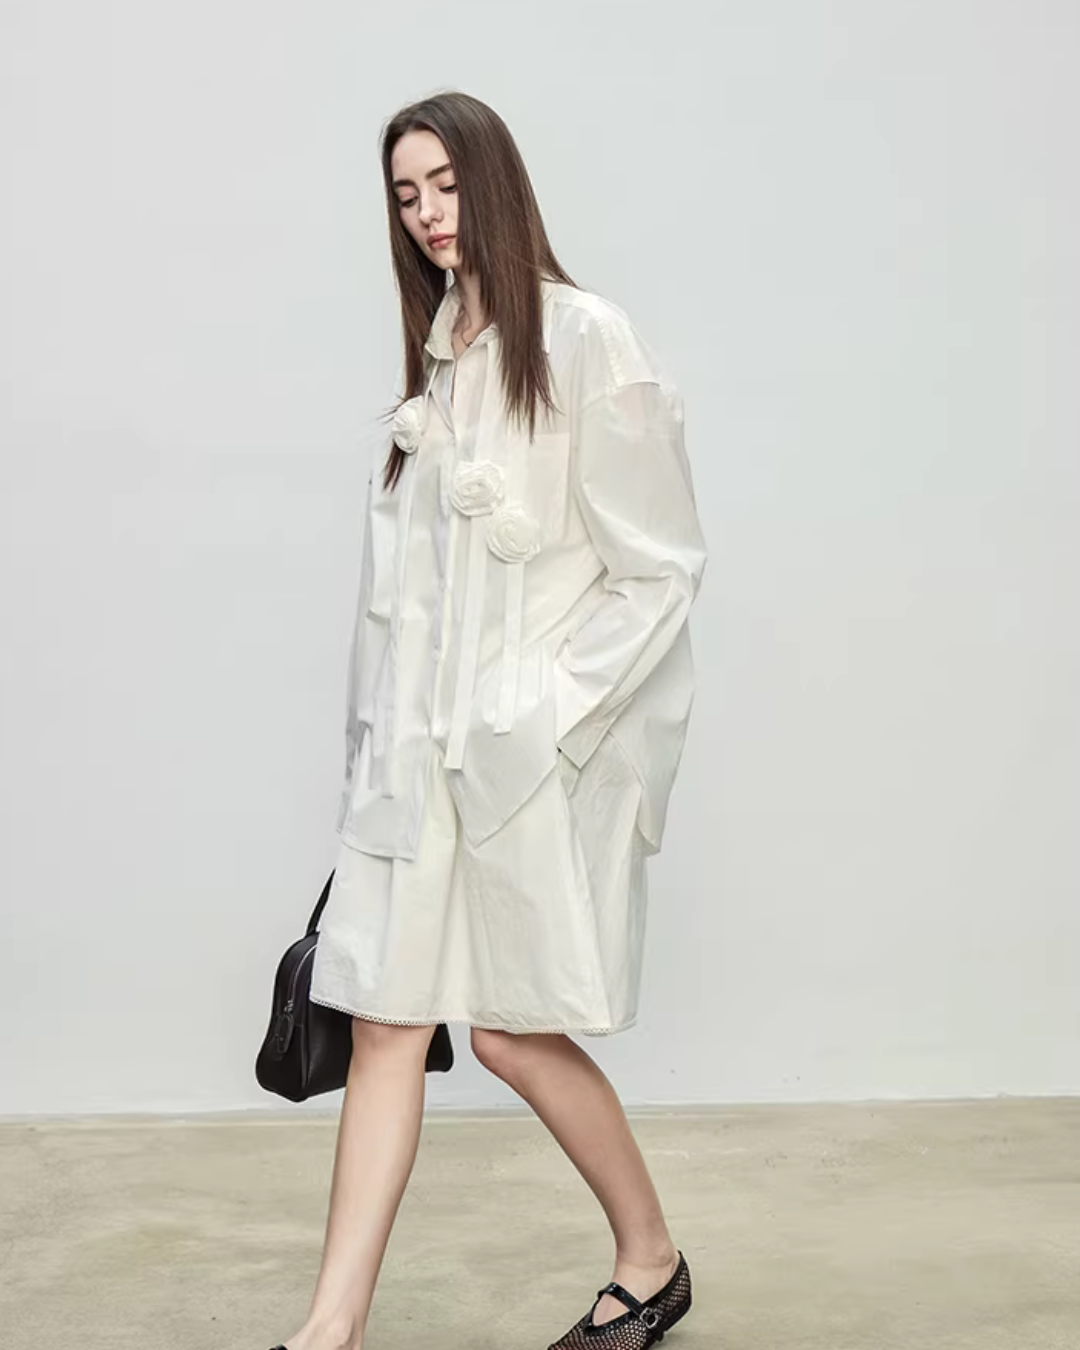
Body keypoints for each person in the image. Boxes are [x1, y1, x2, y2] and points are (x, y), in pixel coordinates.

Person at [272, 90, 707, 1350]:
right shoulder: (438, 360)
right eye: (407, 195)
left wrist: (536, 714)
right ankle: (329, 1332)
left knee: (513, 1036)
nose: (427, 214)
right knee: (385, 1022)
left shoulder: (588, 340)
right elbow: (397, 604)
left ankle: (651, 1258)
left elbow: (658, 570)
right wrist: (369, 762)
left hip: (521, 762)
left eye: (447, 184)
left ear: (495, 179)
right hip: (414, 767)